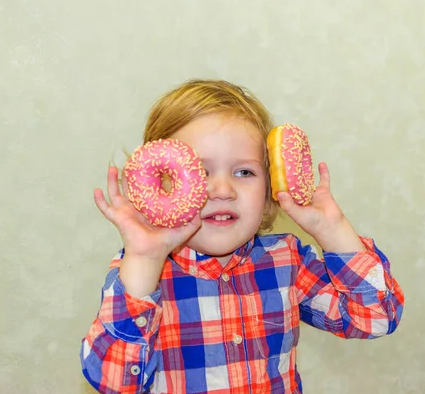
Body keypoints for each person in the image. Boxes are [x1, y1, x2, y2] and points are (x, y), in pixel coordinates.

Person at [80, 79, 404, 394]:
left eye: (244, 172)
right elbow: (114, 380)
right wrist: (144, 261)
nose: (223, 190)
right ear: (160, 187)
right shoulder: (143, 274)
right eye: (200, 172)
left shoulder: (288, 261)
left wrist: (331, 229)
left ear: (268, 193)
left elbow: (375, 317)